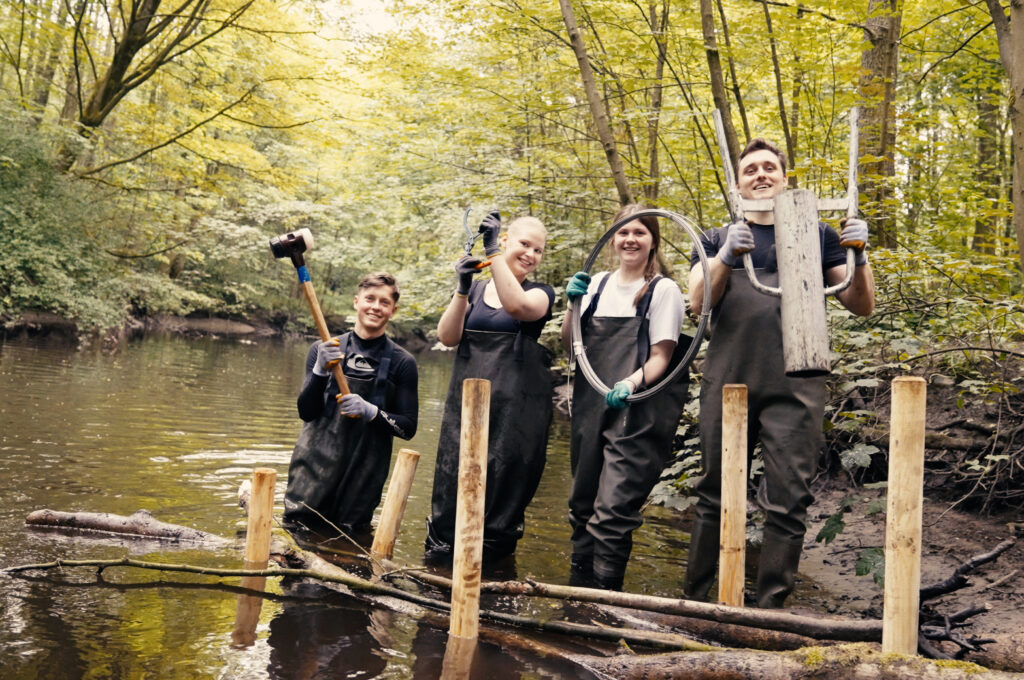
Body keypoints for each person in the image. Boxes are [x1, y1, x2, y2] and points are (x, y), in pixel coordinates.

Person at [684, 138, 874, 608]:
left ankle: (769, 610)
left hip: (798, 383)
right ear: (738, 181)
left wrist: (860, 253)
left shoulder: (818, 232)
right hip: (728, 379)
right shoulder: (715, 236)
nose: (761, 174)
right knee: (714, 492)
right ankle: (696, 602)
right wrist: (726, 256)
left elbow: (862, 305)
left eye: (770, 167)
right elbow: (696, 301)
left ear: (785, 178)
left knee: (789, 499)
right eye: (751, 169)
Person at [561, 204, 691, 591]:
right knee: (582, 506)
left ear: (653, 240)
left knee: (613, 510)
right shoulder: (596, 285)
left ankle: (605, 603)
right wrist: (572, 305)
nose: (630, 239)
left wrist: (630, 384)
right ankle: (575, 601)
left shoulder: (663, 290)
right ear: (612, 238)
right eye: (623, 232)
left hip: (636, 412)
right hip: (589, 408)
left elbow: (661, 357)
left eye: (639, 232)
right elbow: (572, 346)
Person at [425, 213, 555, 563]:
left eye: (538, 250)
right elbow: (448, 336)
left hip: (513, 420)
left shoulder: (540, 293)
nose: (530, 254)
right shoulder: (479, 291)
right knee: (452, 486)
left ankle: (492, 580)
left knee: (500, 495)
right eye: (524, 244)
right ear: (509, 239)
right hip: (465, 413)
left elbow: (518, 307)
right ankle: (439, 570)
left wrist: (492, 250)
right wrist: (463, 287)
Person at [283, 272, 419, 537]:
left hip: (362, 480)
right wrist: (321, 371)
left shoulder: (403, 363)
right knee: (296, 542)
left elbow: (408, 428)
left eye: (384, 302)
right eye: (370, 299)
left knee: (348, 550)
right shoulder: (323, 349)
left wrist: (372, 412)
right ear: (357, 301)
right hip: (312, 472)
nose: (375, 307)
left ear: (393, 310)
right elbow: (306, 412)